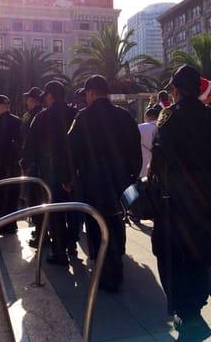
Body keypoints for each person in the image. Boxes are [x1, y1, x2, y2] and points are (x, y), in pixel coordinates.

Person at [150, 65, 211, 340]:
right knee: (198, 255)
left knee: (170, 256)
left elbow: (159, 160)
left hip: (175, 201)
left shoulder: (168, 116)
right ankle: (195, 308)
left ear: (175, 90)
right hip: (206, 200)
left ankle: (185, 311)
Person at [67, 75, 142, 293]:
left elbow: (72, 149)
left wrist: (70, 178)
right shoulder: (124, 116)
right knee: (117, 221)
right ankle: (117, 264)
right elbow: (135, 150)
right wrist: (130, 176)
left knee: (95, 225)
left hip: (92, 182)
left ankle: (103, 271)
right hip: (120, 181)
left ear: (90, 93)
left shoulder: (83, 118)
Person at [22, 81, 77, 265]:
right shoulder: (75, 113)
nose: (44, 99)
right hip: (75, 171)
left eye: (45, 95)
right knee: (76, 209)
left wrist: (26, 163)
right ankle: (73, 244)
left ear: (50, 96)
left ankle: (59, 251)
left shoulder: (43, 117)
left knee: (55, 212)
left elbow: (30, 144)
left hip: (51, 171)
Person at [0, 94, 23, 234]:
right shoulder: (17, 121)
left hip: (2, 165)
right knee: (12, 195)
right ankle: (10, 223)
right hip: (13, 164)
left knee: (2, 195)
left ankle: (6, 224)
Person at [20, 87, 44, 246]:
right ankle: (42, 231)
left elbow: (29, 141)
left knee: (35, 199)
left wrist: (24, 162)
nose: (26, 102)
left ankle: (42, 233)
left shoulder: (36, 116)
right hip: (40, 163)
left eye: (28, 98)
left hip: (34, 164)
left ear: (34, 100)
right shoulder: (40, 114)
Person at [138, 107, 159, 179]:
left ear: (146, 117)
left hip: (142, 168)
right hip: (159, 170)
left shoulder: (140, 128)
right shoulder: (163, 127)